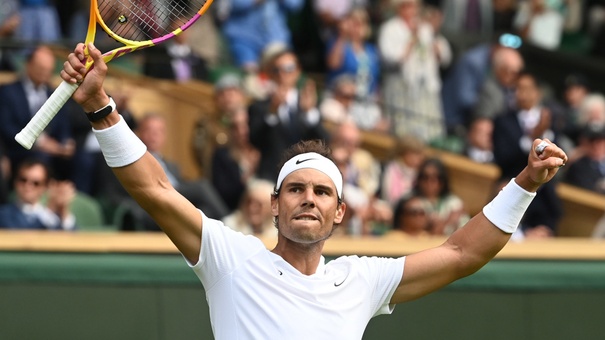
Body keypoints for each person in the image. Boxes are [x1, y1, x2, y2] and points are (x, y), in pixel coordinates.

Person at [60, 41, 568, 339]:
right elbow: (154, 189)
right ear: (275, 205)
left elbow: (462, 252)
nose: (309, 198)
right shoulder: (231, 259)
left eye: (322, 192)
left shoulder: (362, 280)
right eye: (297, 189)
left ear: (340, 211)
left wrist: (524, 184)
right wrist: (100, 104)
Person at [247, 47, 330, 181]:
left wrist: (309, 113)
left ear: (298, 71)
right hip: (270, 179)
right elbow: (255, 140)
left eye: (289, 68)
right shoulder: (259, 106)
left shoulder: (310, 104)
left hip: (302, 179)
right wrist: (272, 113)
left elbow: (324, 141)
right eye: (277, 69)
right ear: (271, 74)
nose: (282, 73)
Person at [0, 45, 75, 181]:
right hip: (20, 150)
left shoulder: (55, 93)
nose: (44, 73)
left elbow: (63, 125)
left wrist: (65, 143)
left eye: (48, 70)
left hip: (55, 150)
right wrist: (39, 143)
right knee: (41, 156)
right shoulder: (8, 92)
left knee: (82, 158)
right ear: (28, 65)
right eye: (41, 69)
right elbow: (6, 127)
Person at [0, 158, 75, 230]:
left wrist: (64, 211)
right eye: (23, 180)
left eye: (36, 183)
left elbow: (75, 239)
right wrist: (50, 211)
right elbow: (24, 238)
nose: (28, 186)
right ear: (15, 181)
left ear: (45, 187)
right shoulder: (3, 214)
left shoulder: (54, 217)